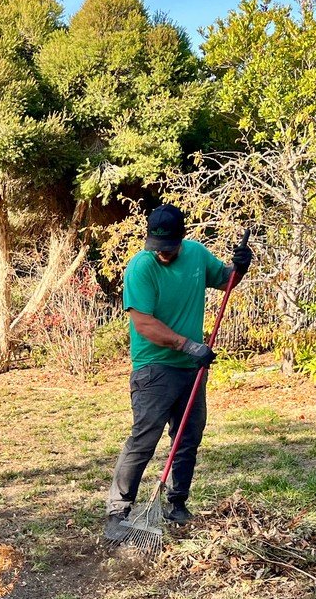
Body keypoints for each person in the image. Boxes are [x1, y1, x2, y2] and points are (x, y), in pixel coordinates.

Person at [104, 204, 253, 543]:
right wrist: (188, 346)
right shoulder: (141, 267)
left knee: (188, 437)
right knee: (144, 439)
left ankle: (177, 504)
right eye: (157, 247)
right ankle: (117, 513)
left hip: (191, 369)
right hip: (154, 369)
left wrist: (240, 268)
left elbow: (226, 280)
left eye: (169, 248)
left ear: (181, 238)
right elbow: (144, 324)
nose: (163, 254)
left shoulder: (197, 255)